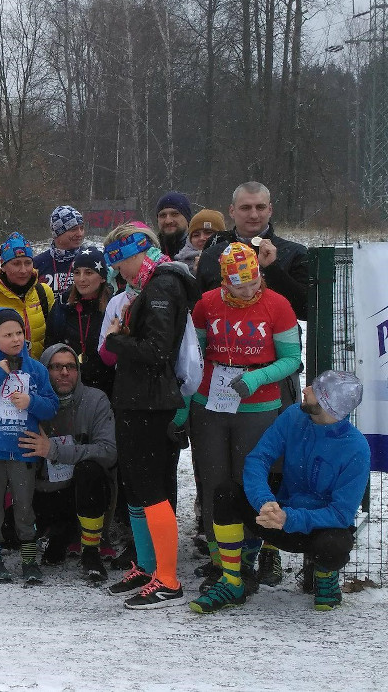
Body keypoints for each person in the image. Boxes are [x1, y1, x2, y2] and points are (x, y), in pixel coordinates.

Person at [190, 371, 368, 613]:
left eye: (315, 389)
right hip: (274, 515)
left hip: (314, 529)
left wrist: (290, 518)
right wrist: (264, 501)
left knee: (335, 544)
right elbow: (258, 458)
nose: (305, 390)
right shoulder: (294, 415)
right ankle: (232, 581)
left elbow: (341, 514)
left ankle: (325, 576)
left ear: (329, 404)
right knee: (226, 493)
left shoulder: (356, 448)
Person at [187, 243, 301, 598]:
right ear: (224, 282)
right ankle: (220, 561)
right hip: (210, 401)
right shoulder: (206, 304)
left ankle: (247, 561)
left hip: (258, 403)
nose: (250, 291)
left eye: (255, 282)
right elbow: (193, 355)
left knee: (248, 481)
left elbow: (292, 359)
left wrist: (257, 377)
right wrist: (184, 403)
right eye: (240, 286)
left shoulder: (277, 305)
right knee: (214, 482)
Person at [102, 223, 199, 609]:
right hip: (136, 399)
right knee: (138, 488)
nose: (116, 271)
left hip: (150, 402)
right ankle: (147, 566)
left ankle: (168, 579)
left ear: (137, 253)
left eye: (118, 261)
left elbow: (157, 350)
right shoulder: (150, 284)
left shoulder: (162, 286)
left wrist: (115, 339)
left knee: (151, 488)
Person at [0, 308, 58, 582]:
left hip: (24, 451)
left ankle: (29, 559)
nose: (16, 339)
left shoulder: (36, 369)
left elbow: (51, 407)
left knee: (24, 506)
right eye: (7, 335)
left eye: (19, 332)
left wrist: (32, 402)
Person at [20, 344, 117, 581]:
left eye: (71, 367)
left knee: (91, 469)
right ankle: (56, 534)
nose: (64, 372)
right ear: (44, 370)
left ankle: (91, 551)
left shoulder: (95, 400)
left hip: (82, 490)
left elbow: (108, 451)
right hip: (44, 491)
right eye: (56, 367)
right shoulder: (29, 402)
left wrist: (55, 451)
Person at [197, 182, 308, 321]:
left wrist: (273, 270)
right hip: (223, 334)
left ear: (270, 210)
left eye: (260, 207)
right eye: (245, 208)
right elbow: (200, 310)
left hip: (278, 334)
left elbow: (307, 310)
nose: (254, 215)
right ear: (232, 211)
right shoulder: (212, 255)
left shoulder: (294, 253)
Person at [44, 246, 116, 400]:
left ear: (102, 277)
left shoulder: (113, 306)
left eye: (89, 273)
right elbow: (51, 345)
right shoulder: (63, 304)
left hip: (106, 386)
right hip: (68, 385)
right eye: (77, 273)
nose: (81, 279)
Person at [0, 232, 55, 361]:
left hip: (38, 368)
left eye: (28, 263)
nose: (23, 270)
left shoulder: (43, 292)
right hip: (2, 368)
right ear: (3, 265)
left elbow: (54, 333)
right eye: (16, 264)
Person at [33, 205, 87, 294]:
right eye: (73, 229)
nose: (80, 234)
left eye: (81, 228)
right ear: (58, 233)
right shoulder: (37, 264)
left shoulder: (89, 259)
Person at [174, 209, 225, 273]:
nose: (202, 238)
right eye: (196, 235)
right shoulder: (179, 266)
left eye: (208, 233)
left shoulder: (232, 258)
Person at [155, 191, 193, 259]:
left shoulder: (199, 250)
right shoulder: (150, 253)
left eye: (175, 214)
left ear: (187, 218)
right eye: (163, 215)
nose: (168, 221)